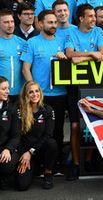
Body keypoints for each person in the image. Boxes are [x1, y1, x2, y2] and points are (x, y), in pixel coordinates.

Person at [21, 10, 68, 176]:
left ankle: (55, 166)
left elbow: (73, 63)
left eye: (55, 22)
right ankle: (39, 166)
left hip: (60, 94)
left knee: (58, 131)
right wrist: (32, 88)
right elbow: (25, 68)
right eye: (50, 22)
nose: (53, 25)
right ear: (40, 24)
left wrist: (66, 58)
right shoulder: (32, 42)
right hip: (40, 97)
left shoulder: (63, 42)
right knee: (37, 132)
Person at [64, 3, 103, 181]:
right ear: (81, 18)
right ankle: (75, 163)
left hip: (94, 85)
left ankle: (89, 160)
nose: (94, 19)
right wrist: (91, 54)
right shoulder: (71, 32)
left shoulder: (98, 32)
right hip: (75, 86)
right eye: (90, 16)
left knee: (93, 122)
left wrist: (82, 57)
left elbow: (102, 54)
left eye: (94, 16)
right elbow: (69, 54)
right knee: (75, 125)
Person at [15, 81, 58, 190]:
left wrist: (31, 151)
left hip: (39, 150)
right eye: (31, 92)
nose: (35, 94)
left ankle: (48, 173)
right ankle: (34, 168)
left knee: (52, 143)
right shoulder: (18, 110)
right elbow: (16, 135)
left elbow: (48, 134)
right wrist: (24, 154)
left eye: (37, 91)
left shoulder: (47, 110)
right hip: (25, 152)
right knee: (22, 185)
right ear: (26, 95)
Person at [0, 9, 27, 104]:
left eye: (12, 21)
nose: (10, 25)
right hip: (1, 93)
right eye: (6, 22)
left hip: (20, 93)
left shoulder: (23, 43)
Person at [0, 76, 20, 190]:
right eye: (3, 89)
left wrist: (8, 149)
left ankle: (4, 177)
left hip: (5, 147)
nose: (7, 91)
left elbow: (16, 135)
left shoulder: (11, 108)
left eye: (8, 88)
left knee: (6, 164)